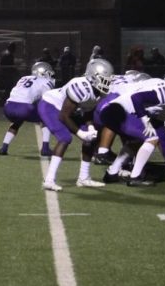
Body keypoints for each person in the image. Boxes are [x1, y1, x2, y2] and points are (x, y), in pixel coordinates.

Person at [97, 74, 165, 186]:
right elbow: (136, 98)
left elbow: (162, 134)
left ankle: (112, 173)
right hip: (115, 111)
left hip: (113, 111)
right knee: (152, 137)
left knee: (139, 140)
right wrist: (145, 120)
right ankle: (135, 177)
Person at [37, 59, 114, 190]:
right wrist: (81, 133)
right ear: (93, 76)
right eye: (103, 79)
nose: (106, 83)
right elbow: (63, 116)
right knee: (65, 138)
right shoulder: (80, 87)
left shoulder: (98, 92)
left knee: (92, 138)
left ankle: (83, 178)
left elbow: (88, 111)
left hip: (68, 111)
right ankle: (49, 180)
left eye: (108, 79)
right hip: (50, 105)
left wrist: (90, 128)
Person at [0, 62, 54, 156]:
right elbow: (47, 100)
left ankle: (4, 147)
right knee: (46, 118)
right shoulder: (46, 82)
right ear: (43, 73)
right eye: (48, 72)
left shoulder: (23, 78)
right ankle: (45, 148)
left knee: (17, 122)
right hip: (24, 108)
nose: (50, 75)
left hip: (8, 107)